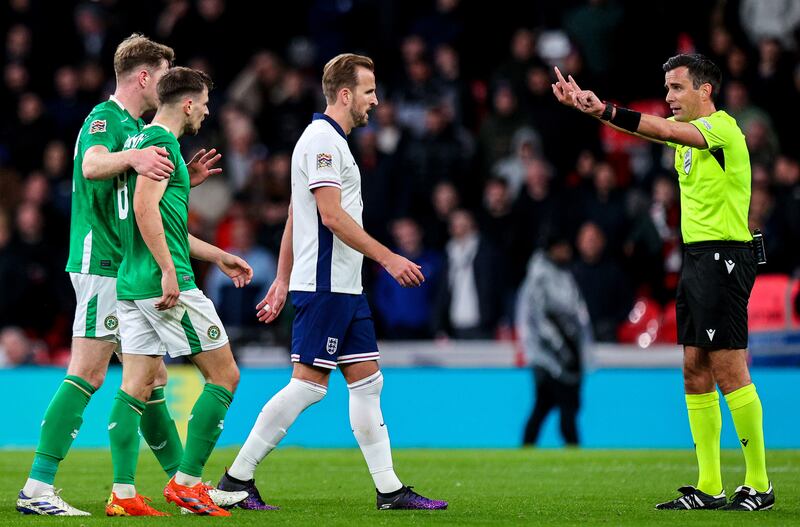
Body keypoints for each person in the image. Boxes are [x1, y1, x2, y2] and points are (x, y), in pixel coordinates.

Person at [216, 53, 447, 511]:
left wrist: (281, 279)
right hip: (326, 286)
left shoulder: (332, 141)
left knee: (367, 383)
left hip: (343, 285)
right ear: (345, 95)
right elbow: (329, 216)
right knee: (308, 386)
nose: (375, 101)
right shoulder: (323, 142)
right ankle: (234, 479)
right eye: (368, 91)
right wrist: (388, 258)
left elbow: (293, 216)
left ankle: (389, 490)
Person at [553, 54, 774, 511]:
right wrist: (592, 111)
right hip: (697, 259)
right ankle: (710, 486)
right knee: (694, 368)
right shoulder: (688, 143)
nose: (669, 97)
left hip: (724, 257)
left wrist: (607, 110)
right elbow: (650, 130)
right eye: (667, 89)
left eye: (677, 88)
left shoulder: (723, 131)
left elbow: (665, 130)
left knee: (729, 369)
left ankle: (759, 483)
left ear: (705, 90)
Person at [17, 34, 183, 517]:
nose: (169, 86)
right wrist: (132, 158)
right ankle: (37, 488)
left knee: (151, 376)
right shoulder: (104, 118)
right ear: (144, 76)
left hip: (123, 265)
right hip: (101, 263)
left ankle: (181, 484)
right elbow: (91, 165)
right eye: (165, 75)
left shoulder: (133, 127)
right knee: (88, 371)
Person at [106, 67, 252, 517]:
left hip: (131, 282)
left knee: (137, 386)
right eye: (205, 102)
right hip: (164, 283)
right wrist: (171, 272)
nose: (208, 110)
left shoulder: (135, 143)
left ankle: (123, 493)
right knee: (225, 375)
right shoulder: (163, 143)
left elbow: (163, 221)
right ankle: (187, 484)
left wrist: (218, 255)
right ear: (187, 103)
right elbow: (145, 210)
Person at [516, 230, 590, 446]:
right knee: (564, 406)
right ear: (552, 249)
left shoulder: (561, 273)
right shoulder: (541, 276)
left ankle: (527, 447)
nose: (567, 251)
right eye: (562, 247)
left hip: (560, 352)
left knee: (544, 405)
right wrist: (561, 349)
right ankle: (573, 448)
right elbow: (540, 319)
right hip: (550, 354)